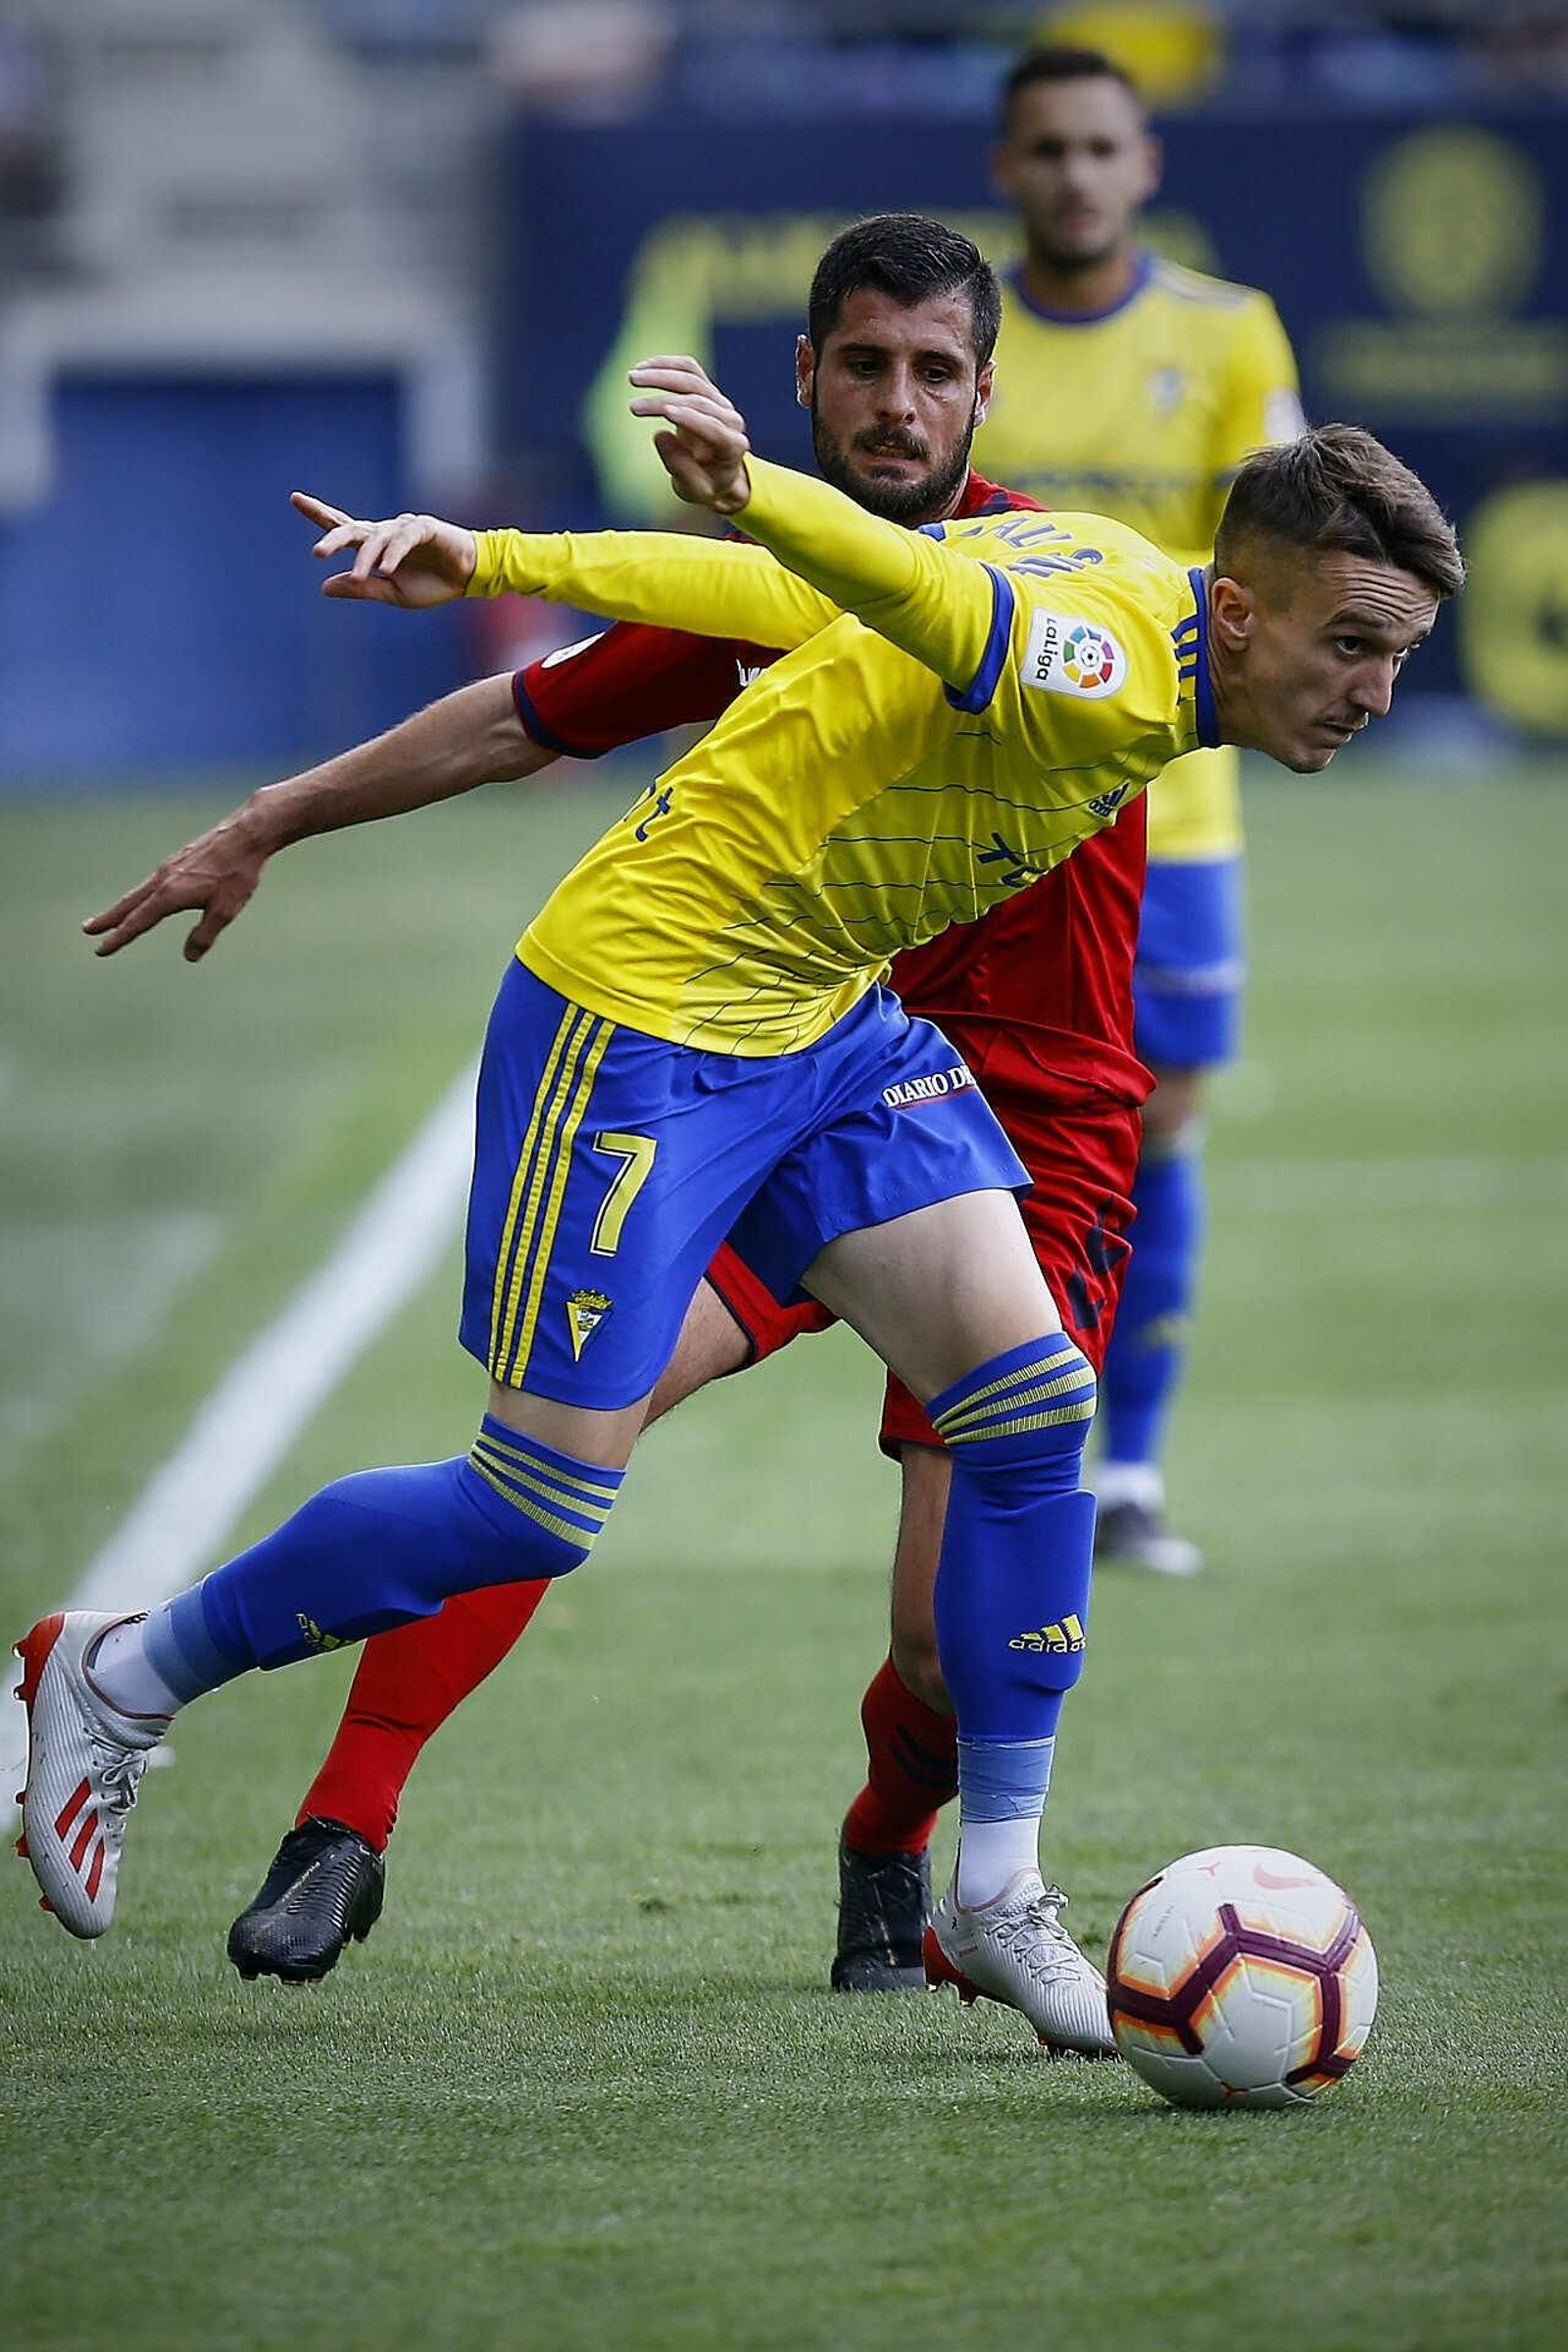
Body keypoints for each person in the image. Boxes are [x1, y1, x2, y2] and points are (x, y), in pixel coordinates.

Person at [15, 226, 1460, 2070]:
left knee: (1026, 1419)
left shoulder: (1123, 565)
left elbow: (792, 603)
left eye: (1397, 654)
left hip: (832, 1027)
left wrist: (511, 556)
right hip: (643, 1020)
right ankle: (116, 1675)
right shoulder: (1099, 652)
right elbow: (925, 612)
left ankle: (993, 1887)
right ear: (1246, 618)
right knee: (531, 1505)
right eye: (1355, 646)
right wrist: (741, 500)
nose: (1376, 691)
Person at [211, 217, 1150, 2003]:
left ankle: (889, 1850)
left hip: (1025, 1136)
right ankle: (344, 1824)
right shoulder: (765, 592)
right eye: (861, 366)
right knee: (566, 1436)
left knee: (948, 1647)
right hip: (787, 1068)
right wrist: (269, 819)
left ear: (981, 395)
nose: (894, 404)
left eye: (932, 371)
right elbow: (523, 717)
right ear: (803, 379)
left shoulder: (1038, 582)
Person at [980, 45, 1306, 1575]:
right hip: (982, 806)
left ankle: (1131, 1470)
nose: (1074, 175)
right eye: (1046, 148)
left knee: (1157, 1122)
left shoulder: (1227, 336)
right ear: (1007, 166)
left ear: (1146, 164)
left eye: (1100, 147)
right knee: (966, 1136)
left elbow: (1291, 550)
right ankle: (1005, 1450)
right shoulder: (957, 340)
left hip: (1173, 807)